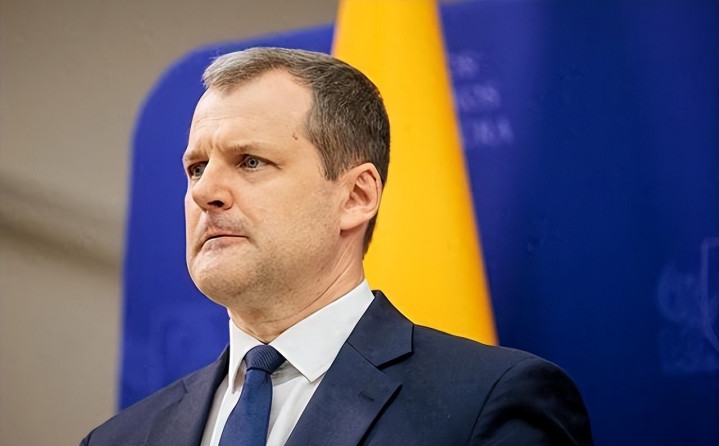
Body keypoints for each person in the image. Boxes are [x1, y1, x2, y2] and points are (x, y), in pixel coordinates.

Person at [80, 47, 593, 446]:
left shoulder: (486, 403)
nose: (204, 192)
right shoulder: (118, 439)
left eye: (250, 161)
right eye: (196, 168)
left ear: (356, 197)